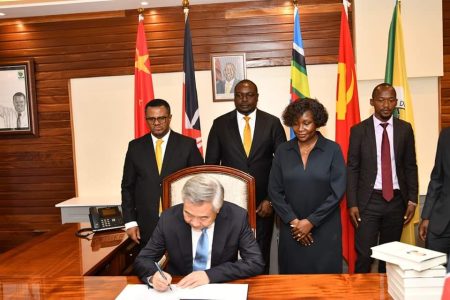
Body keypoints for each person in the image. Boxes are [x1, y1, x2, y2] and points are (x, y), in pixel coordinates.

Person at [205, 79, 286, 273]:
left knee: (260, 254)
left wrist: (271, 200)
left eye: (249, 95)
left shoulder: (272, 123)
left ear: (257, 97)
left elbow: (284, 165)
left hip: (263, 206)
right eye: (239, 95)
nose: (244, 99)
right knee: (229, 255)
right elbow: (211, 167)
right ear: (234, 97)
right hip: (228, 205)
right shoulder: (220, 124)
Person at [134, 174, 264, 291]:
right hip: (179, 287)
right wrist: (153, 276)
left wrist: (209, 275)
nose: (195, 223)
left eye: (204, 218)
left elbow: (255, 262)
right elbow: (144, 259)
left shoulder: (237, 218)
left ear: (218, 209)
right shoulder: (169, 219)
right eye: (188, 214)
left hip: (220, 287)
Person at [268, 98, 346, 274]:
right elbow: (274, 191)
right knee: (293, 284)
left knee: (325, 285)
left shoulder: (332, 150)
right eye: (295, 124)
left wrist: (311, 221)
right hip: (292, 230)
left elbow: (337, 191)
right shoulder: (282, 151)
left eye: (306, 123)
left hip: (325, 229)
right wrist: (296, 223)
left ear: (317, 122)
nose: (300, 129)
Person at [347, 83, 418, 273]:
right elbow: (352, 168)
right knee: (364, 255)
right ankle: (361, 294)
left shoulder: (405, 129)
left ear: (396, 102)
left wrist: (412, 199)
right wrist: (352, 203)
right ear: (372, 102)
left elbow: (411, 165)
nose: (386, 105)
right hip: (368, 202)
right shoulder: (359, 130)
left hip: (396, 201)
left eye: (391, 100)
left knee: (390, 257)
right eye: (381, 100)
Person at [121, 98, 203, 247]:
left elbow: (200, 184)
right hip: (145, 226)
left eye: (161, 118)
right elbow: (127, 187)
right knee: (149, 268)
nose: (156, 123)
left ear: (170, 118)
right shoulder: (135, 147)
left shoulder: (187, 145)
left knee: (180, 269)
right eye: (151, 119)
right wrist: (130, 222)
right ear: (146, 119)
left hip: (182, 222)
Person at [419, 127, 450, 272]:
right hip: (441, 222)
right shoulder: (446, 135)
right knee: (432, 275)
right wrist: (426, 216)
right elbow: (437, 177)